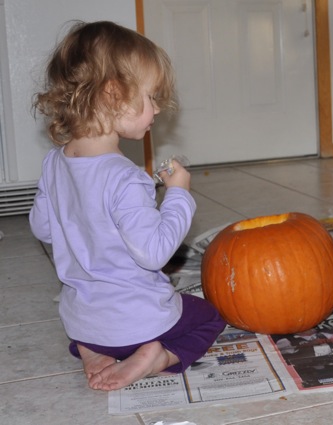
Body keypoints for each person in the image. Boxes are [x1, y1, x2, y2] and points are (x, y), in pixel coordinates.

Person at [29, 21, 226, 391]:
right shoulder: (126, 176)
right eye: (151, 97)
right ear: (113, 94)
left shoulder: (54, 163)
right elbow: (153, 254)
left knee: (95, 322)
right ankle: (158, 356)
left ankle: (90, 349)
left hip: (82, 322)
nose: (156, 110)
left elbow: (42, 229)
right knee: (211, 317)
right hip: (139, 323)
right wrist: (179, 194)